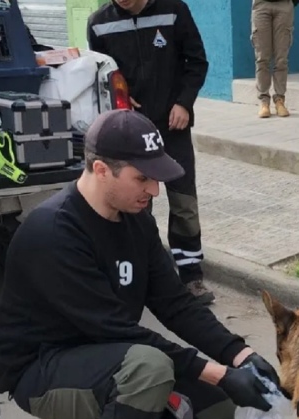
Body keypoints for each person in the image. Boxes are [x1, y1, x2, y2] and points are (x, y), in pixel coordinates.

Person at [0, 108, 282, 419]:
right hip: (41, 370)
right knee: (148, 369)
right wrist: (218, 372)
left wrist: (240, 356)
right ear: (101, 169)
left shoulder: (136, 219)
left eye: (156, 177)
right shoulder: (53, 231)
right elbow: (116, 331)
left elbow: (175, 302)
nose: (154, 191)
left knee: (222, 406)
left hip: (106, 359)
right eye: (142, 179)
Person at [87, 0, 215, 305]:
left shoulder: (174, 10)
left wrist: (184, 102)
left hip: (174, 124)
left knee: (183, 201)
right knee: (135, 202)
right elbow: (101, 74)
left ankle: (191, 275)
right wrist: (121, 98)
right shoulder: (98, 22)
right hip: (131, 132)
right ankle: (140, 272)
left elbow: (196, 61)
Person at [250, 0, 299, 118]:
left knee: (281, 59)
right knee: (262, 58)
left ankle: (279, 100)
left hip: (284, 5)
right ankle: (264, 102)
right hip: (261, 5)